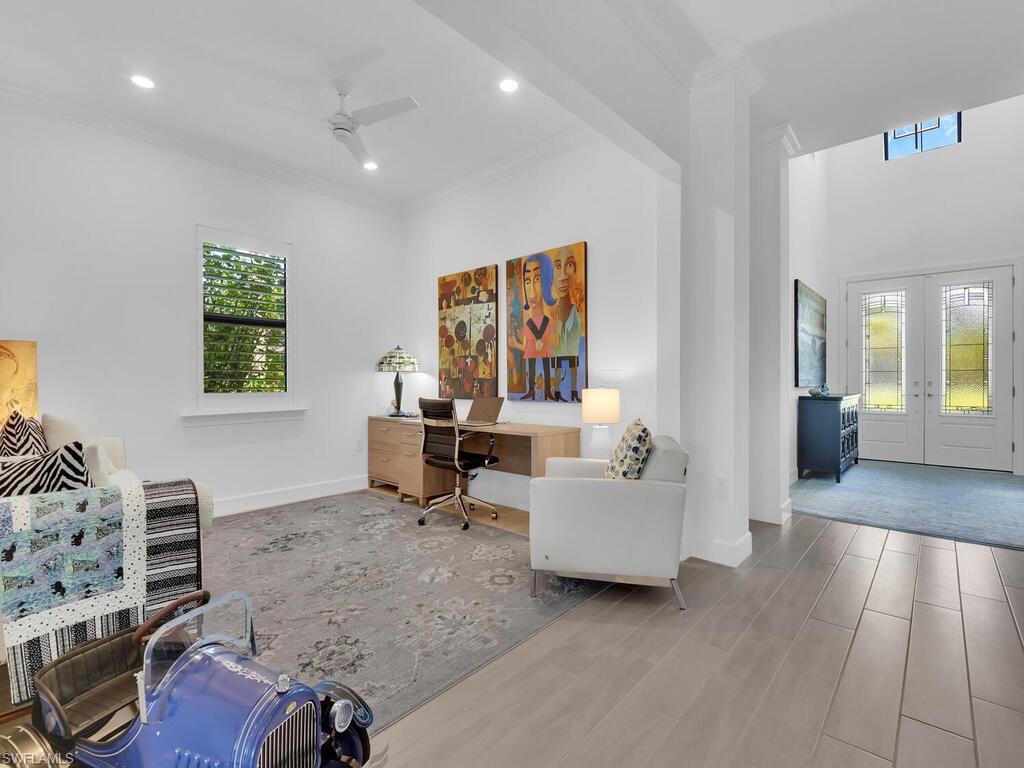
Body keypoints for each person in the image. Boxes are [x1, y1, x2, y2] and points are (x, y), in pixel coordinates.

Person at [520, 252, 556, 400]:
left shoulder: (549, 320)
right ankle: (531, 390)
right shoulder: (528, 323)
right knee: (532, 366)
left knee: (546, 366)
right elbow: (524, 344)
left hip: (545, 345)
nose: (532, 292)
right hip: (533, 345)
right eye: (527, 281)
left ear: (546, 281)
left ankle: (548, 390)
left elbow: (556, 342)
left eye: (537, 279)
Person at [551, 246, 583, 402]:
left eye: (569, 265)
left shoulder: (577, 317)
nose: (562, 276)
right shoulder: (551, 315)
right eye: (558, 267)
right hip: (557, 347)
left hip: (571, 346)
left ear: (575, 271)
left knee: (573, 361)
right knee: (556, 363)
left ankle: (573, 391)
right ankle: (556, 391)